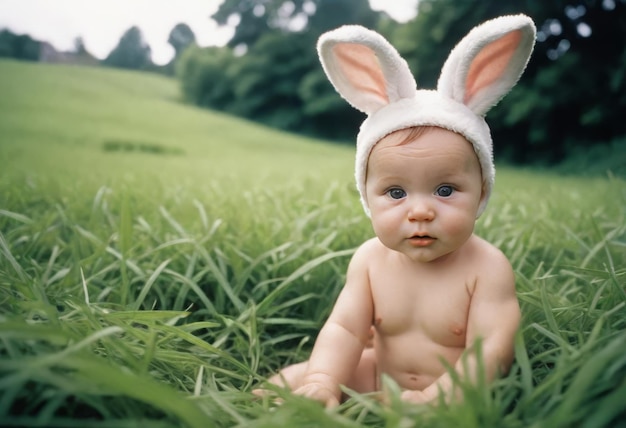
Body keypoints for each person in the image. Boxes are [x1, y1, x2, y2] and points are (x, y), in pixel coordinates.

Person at [260, 15, 536, 407]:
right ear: (366, 197)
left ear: (481, 194)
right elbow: (345, 330)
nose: (420, 211)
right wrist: (323, 378)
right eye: (395, 192)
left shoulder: (487, 269)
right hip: (379, 375)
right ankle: (269, 400)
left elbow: (491, 353)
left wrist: (433, 398)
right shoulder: (370, 260)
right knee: (299, 377)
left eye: (445, 190)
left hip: (453, 386)